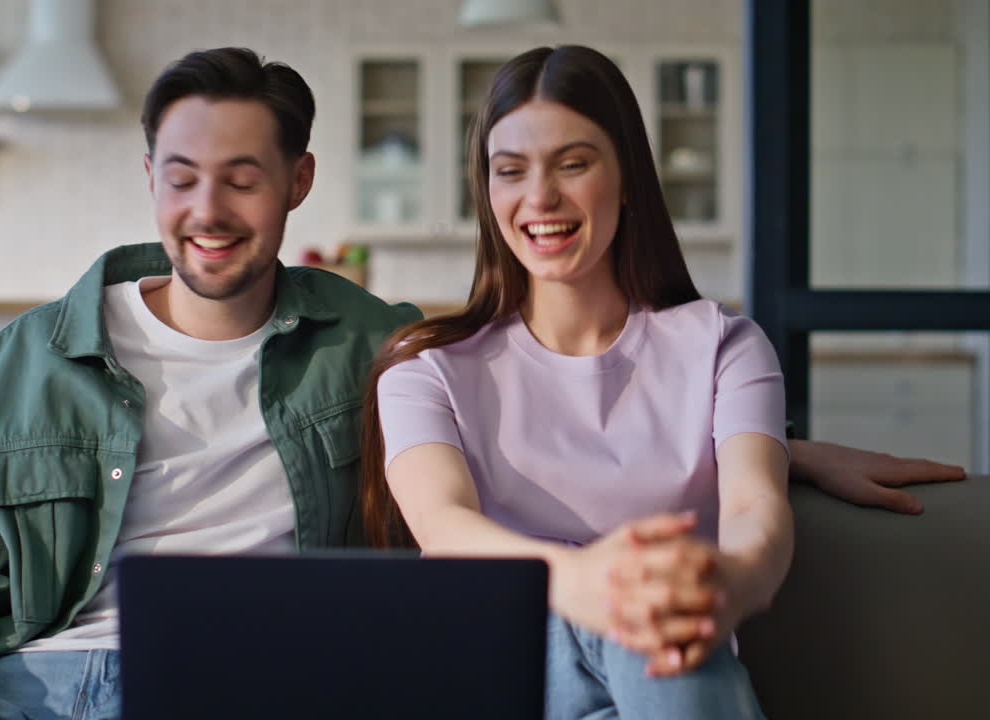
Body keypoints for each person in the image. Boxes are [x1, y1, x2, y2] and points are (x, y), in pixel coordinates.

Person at [0, 47, 962, 720]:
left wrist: (772, 442)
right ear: (149, 178)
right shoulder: (22, 366)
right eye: (184, 177)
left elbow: (595, 381)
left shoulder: (370, 343)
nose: (209, 211)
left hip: (236, 689)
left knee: (659, 652)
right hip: (25, 688)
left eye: (242, 178)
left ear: (296, 185)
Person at [359, 44, 870, 719]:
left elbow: (755, 511)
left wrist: (731, 585)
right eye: (511, 170)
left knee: (647, 615)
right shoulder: (426, 370)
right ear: (488, 191)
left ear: (628, 177)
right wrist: (582, 581)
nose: (540, 197)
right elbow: (444, 523)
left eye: (573, 164)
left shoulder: (725, 347)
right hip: (495, 659)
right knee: (638, 602)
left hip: (662, 659)